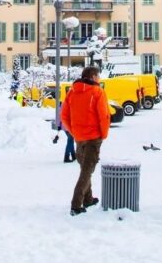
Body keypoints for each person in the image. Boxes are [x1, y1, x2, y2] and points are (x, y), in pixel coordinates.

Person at [60, 66, 110, 216]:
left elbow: (64, 116)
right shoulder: (97, 92)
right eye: (98, 76)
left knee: (85, 168)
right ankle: (76, 204)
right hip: (93, 137)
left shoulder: (72, 92)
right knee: (87, 171)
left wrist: (74, 131)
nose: (99, 79)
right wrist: (103, 134)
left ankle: (88, 199)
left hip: (79, 137)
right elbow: (104, 116)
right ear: (93, 77)